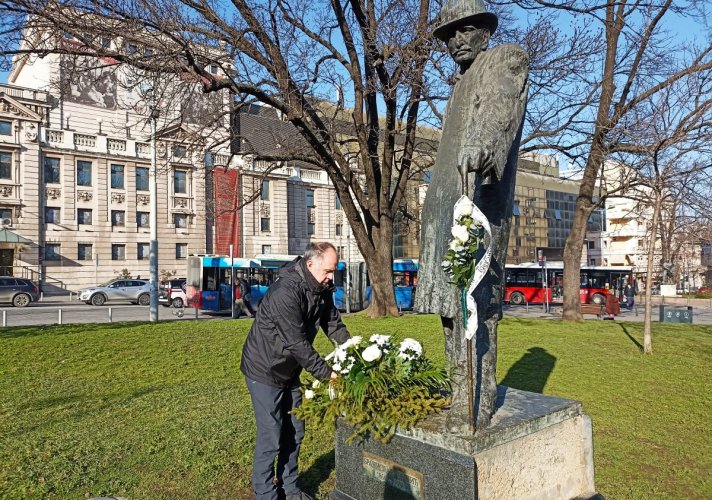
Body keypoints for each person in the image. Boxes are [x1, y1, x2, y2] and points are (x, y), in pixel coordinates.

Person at [414, 0, 528, 433]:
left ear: (485, 31)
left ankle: (478, 400)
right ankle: (459, 390)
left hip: (477, 206)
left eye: (466, 30)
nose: (457, 40)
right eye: (450, 34)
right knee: (450, 307)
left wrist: (481, 146)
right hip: (446, 206)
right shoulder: (458, 84)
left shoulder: (503, 59)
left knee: (476, 303)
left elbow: (498, 112)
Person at [241, 242, 351, 500]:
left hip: (289, 371)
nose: (330, 276)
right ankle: (265, 493)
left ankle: (290, 489)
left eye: (333, 271)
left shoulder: (321, 287)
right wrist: (329, 375)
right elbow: (297, 343)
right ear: (310, 264)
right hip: (264, 369)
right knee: (271, 435)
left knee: (295, 431)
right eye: (327, 271)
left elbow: (333, 323)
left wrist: (354, 352)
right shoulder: (285, 292)